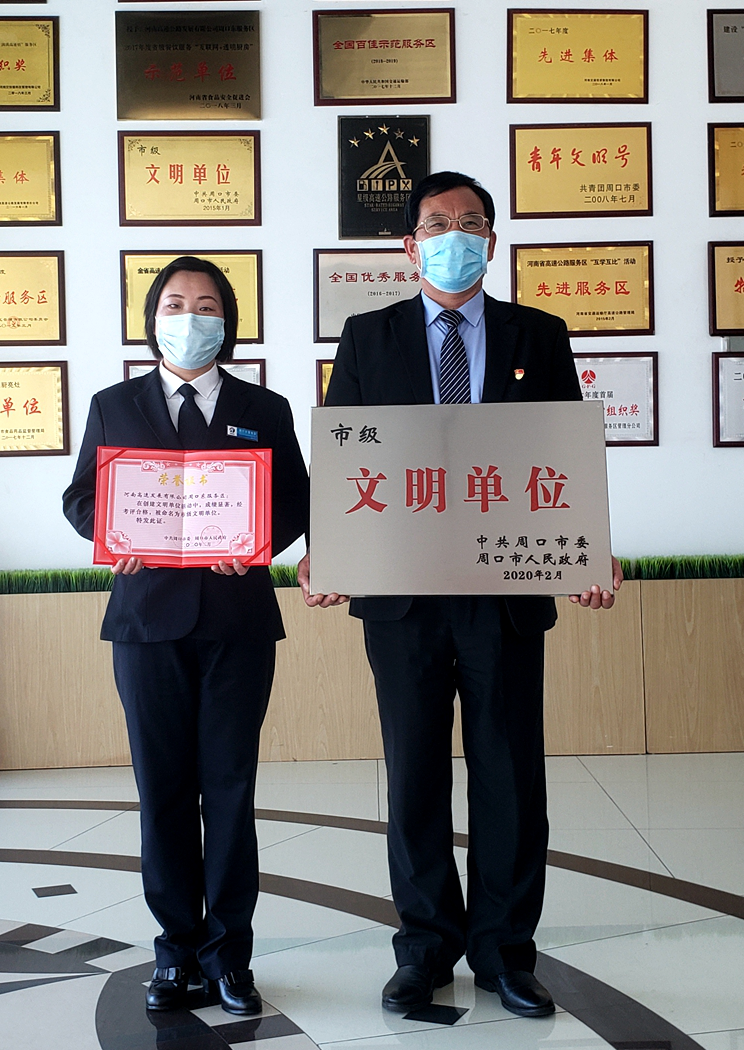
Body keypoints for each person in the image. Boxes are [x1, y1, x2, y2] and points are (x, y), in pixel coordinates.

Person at [299, 172, 620, 1019]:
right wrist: (326, 551)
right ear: (410, 246)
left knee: (510, 773)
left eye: (471, 223)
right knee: (413, 775)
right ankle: (425, 950)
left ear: (492, 241)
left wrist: (590, 549)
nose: (456, 236)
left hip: (503, 589)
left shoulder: (537, 335)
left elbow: (563, 457)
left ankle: (507, 954)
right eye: (438, 224)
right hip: (401, 595)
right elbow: (346, 459)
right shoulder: (368, 337)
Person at [62, 257, 309, 1016]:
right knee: (162, 790)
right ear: (152, 319)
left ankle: (229, 957)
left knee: (231, 790)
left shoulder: (263, 407)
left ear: (227, 321)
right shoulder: (114, 405)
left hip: (237, 622)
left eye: (206, 304)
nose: (190, 317)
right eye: (174, 303)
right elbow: (81, 497)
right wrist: (110, 533)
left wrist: (257, 542)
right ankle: (174, 953)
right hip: (146, 624)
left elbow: (296, 499)